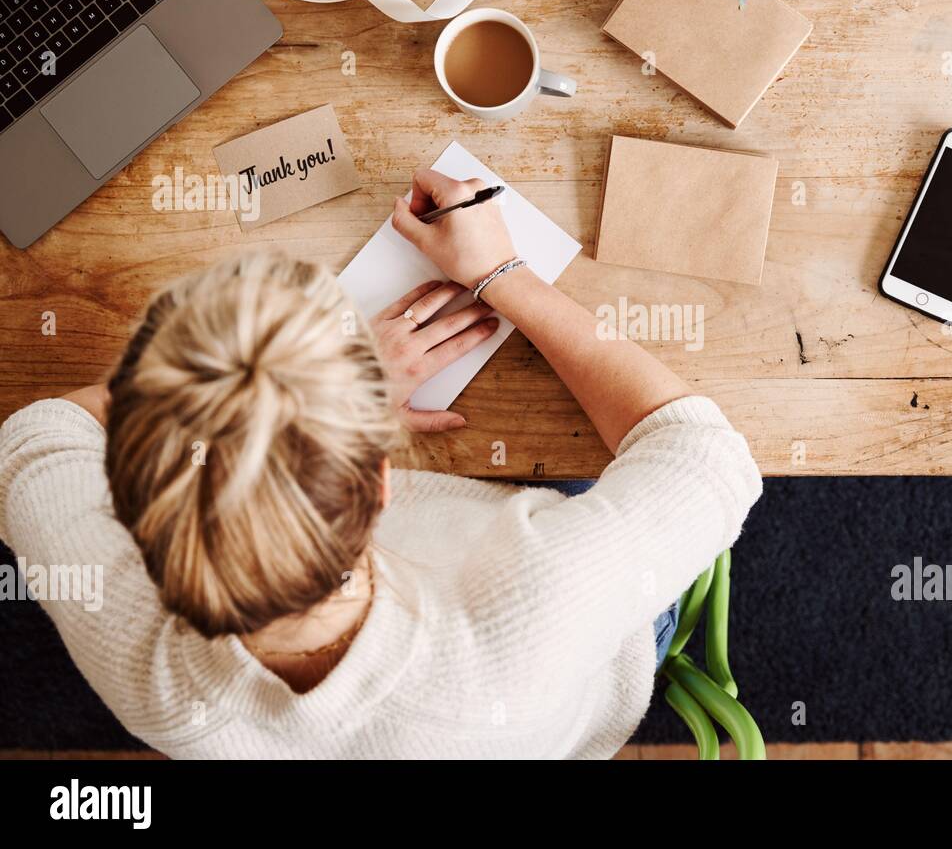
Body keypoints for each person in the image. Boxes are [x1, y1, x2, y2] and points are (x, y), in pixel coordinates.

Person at [0, 171, 761, 758]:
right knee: (594, 470)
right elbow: (708, 454)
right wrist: (501, 273)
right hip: (580, 663)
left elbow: (33, 438)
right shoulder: (535, 603)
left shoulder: (132, 638)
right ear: (379, 482)